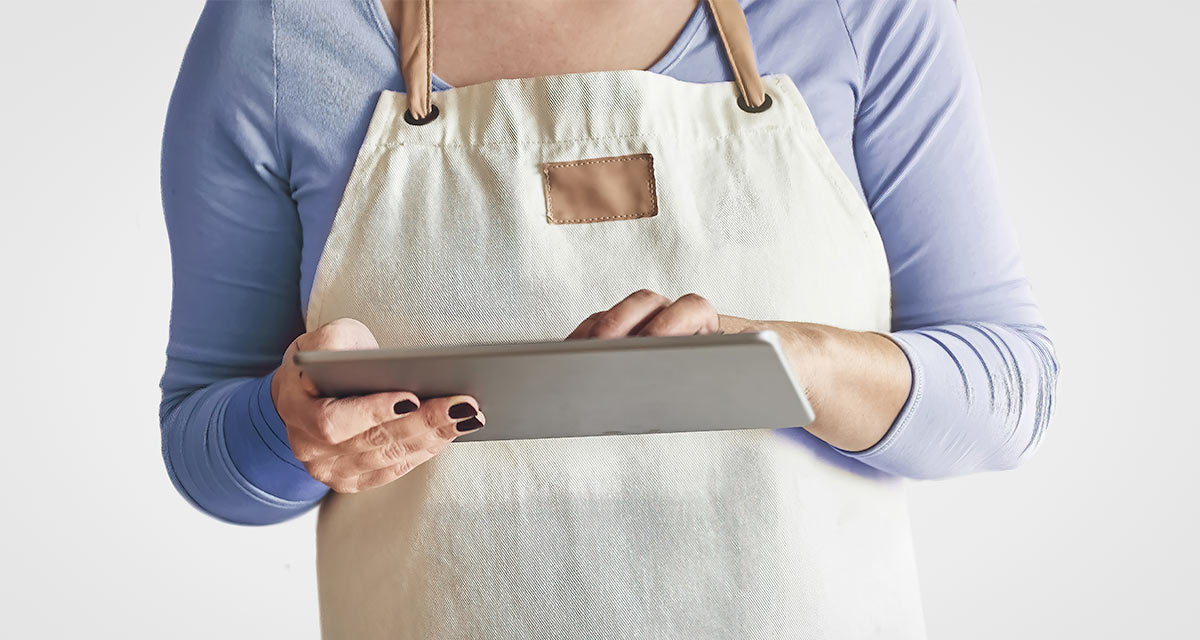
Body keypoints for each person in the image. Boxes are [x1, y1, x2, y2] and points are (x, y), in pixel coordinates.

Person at [158, 0, 1059, 637]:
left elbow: (1009, 395)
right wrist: (292, 431)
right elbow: (205, 443)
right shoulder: (283, 30)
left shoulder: (858, 12)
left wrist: (784, 361)